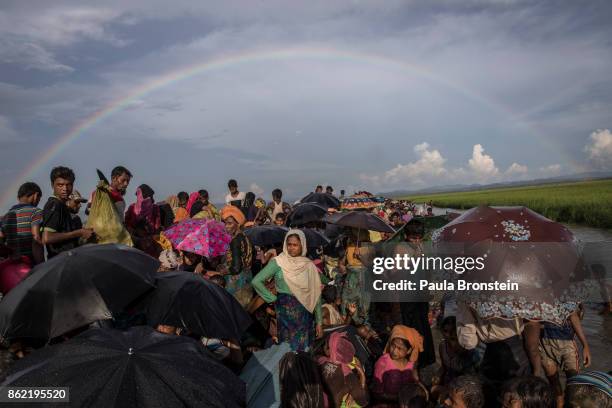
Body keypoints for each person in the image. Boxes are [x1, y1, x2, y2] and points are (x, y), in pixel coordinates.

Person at [252, 229, 323, 351]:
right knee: (287, 348)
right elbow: (256, 281)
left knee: (303, 349)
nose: (291, 248)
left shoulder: (308, 265)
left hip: (304, 314)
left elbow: (316, 294)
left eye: (295, 245)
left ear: (302, 245)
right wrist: (272, 298)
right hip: (285, 313)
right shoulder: (279, 262)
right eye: (289, 244)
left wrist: (319, 322)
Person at [540, 310, 591, 407]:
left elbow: (574, 316)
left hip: (566, 342)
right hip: (543, 341)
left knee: (573, 382)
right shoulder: (539, 297)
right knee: (554, 382)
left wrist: (585, 345)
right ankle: (560, 403)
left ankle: (570, 403)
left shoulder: (566, 295)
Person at [41, 167, 94, 258]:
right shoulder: (54, 205)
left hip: (68, 259)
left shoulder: (62, 206)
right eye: (60, 185)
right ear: (52, 185)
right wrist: (79, 232)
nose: (65, 189)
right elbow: (47, 238)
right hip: (59, 260)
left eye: (68, 185)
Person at [372, 325, 423, 404]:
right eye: (393, 345)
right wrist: (399, 399)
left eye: (400, 348)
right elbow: (377, 393)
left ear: (409, 350)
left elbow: (415, 384)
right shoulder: (383, 363)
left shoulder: (411, 364)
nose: (394, 351)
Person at [317, 331, 369, 408]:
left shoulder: (320, 360)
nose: (324, 346)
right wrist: (362, 376)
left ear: (330, 350)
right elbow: (363, 400)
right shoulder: (348, 374)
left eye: (326, 345)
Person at [0, 182, 44, 264]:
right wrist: (42, 265)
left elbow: (1, 240)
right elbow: (36, 239)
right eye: (39, 199)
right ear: (35, 195)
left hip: (12, 266)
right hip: (30, 264)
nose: (38, 202)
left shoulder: (5, 217)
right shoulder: (36, 212)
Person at [219, 205, 253, 307]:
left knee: (234, 308)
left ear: (237, 224)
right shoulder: (245, 237)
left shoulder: (235, 241)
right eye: (225, 223)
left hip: (237, 281)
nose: (226, 226)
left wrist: (224, 271)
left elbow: (236, 267)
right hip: (247, 276)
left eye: (230, 223)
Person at [435, 316, 480, 387]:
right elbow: (443, 367)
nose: (447, 334)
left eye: (452, 331)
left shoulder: (468, 349)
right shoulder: (442, 346)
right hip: (449, 380)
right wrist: (438, 376)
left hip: (464, 385)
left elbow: (472, 375)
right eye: (445, 331)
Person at [125, 184, 162, 257]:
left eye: (150, 196)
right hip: (136, 242)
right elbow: (126, 225)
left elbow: (157, 226)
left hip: (150, 243)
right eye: (145, 196)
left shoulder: (155, 208)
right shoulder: (132, 208)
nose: (149, 199)